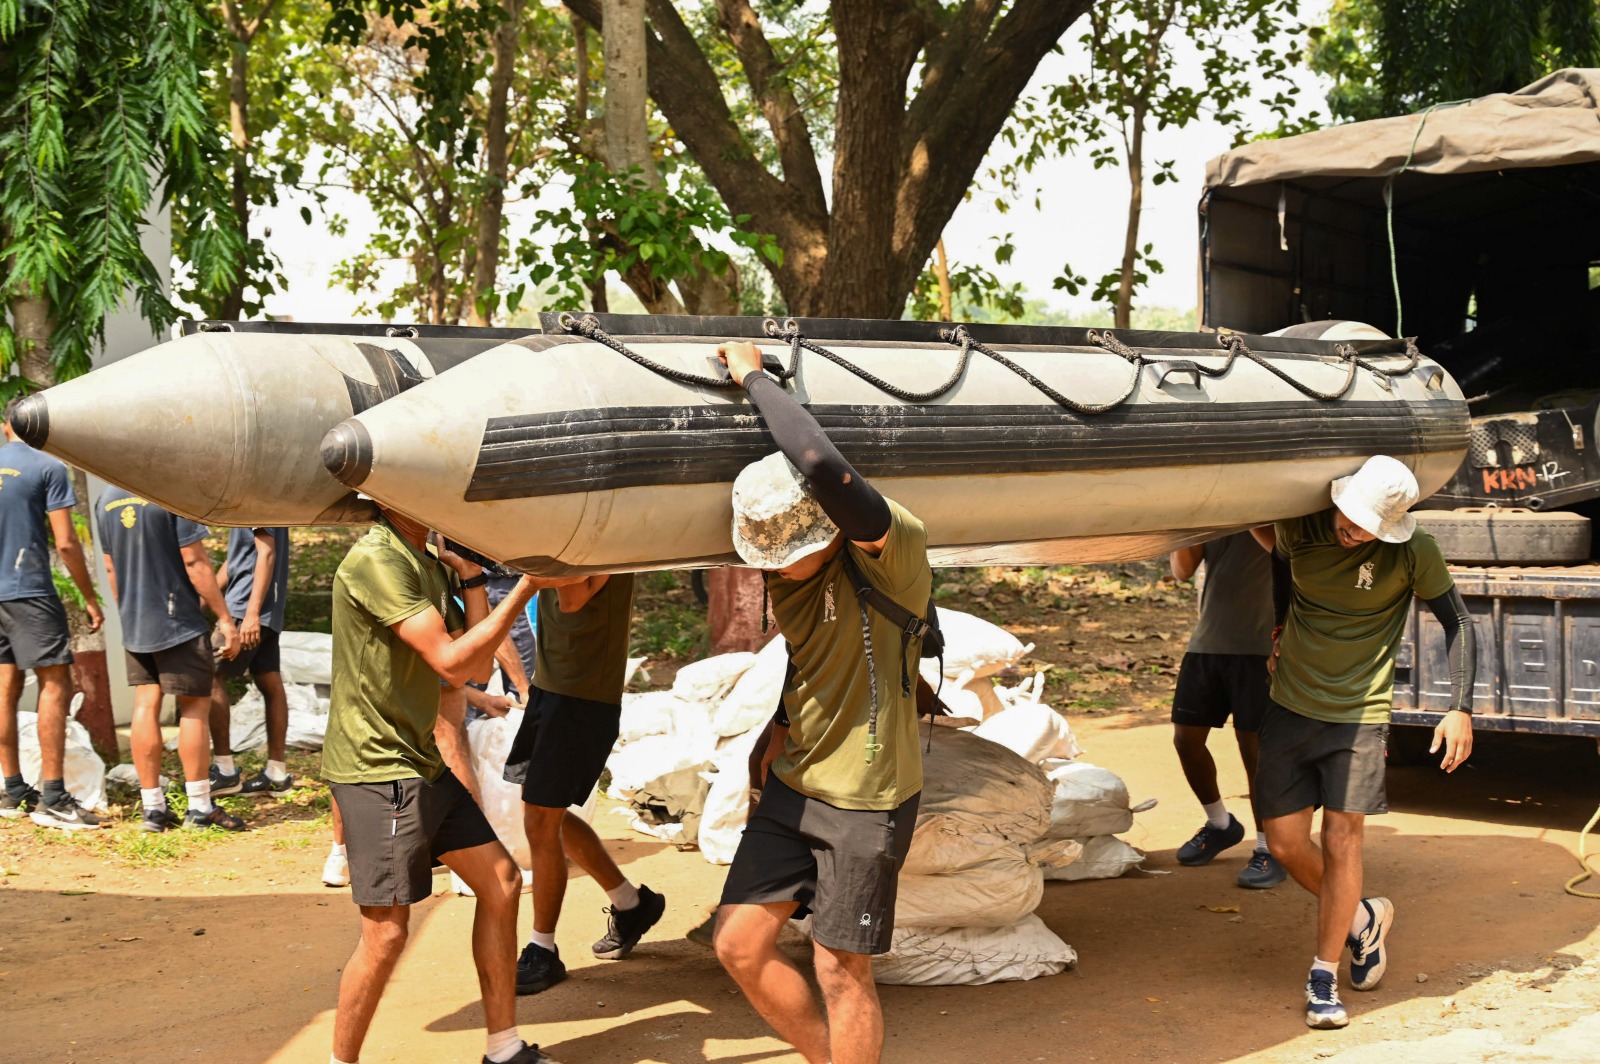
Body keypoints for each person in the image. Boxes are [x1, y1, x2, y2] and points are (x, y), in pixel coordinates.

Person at [710, 340, 932, 1064]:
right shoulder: (786, 574)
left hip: (868, 795)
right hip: (795, 781)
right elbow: (809, 661)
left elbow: (820, 467)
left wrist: (751, 376)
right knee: (738, 945)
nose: (775, 564)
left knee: (841, 966)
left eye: (785, 546)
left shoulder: (890, 548)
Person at [322, 505, 564, 1064]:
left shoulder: (426, 561)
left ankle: (503, 1049)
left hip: (420, 761)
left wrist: (475, 579)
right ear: (388, 497)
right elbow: (453, 665)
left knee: (502, 884)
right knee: (385, 936)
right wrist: (526, 587)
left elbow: (475, 669)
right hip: (378, 769)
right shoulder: (380, 560)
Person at [1261, 455, 1476, 1030]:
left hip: (1359, 713)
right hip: (1290, 703)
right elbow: (1282, 569)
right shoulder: (1303, 527)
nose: (1350, 532)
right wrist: (1279, 625)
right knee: (1283, 843)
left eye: (1365, 528)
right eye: (1349, 518)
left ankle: (1323, 977)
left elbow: (1459, 621)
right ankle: (1362, 918)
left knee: (1341, 839)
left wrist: (1459, 708)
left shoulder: (1413, 552)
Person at [505, 570, 666, 996]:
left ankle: (543, 950)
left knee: (541, 821)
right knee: (543, 815)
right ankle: (632, 904)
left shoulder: (600, 527)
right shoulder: (569, 526)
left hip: (582, 697)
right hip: (552, 685)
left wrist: (535, 566)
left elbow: (573, 598)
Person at [97, 490, 244, 832]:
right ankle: (200, 806)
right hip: (177, 619)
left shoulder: (105, 498)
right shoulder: (169, 491)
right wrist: (224, 618)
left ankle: (153, 809)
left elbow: (109, 565)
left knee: (145, 705)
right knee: (194, 707)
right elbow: (194, 561)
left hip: (136, 620)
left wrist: (127, 609)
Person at [0, 399, 106, 829]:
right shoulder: (48, 467)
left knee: (4, 685)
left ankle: (9, 790)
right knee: (55, 682)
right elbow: (65, 542)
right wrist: (89, 596)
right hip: (28, 589)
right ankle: (54, 796)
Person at [1168, 530, 1286, 889]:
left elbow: (1285, 554)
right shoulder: (1213, 510)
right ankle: (1220, 824)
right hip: (1209, 642)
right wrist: (1184, 522)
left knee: (1254, 751)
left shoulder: (1275, 509)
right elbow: (1182, 570)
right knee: (1186, 739)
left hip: (1261, 645)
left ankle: (1270, 849)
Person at [208, 526, 293, 797]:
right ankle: (276, 773)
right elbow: (236, 561)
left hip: (246, 606)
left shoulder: (255, 497)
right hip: (268, 607)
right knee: (269, 679)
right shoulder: (262, 498)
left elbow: (266, 552)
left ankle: (224, 771)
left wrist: (251, 614)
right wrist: (204, 598)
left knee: (209, 675)